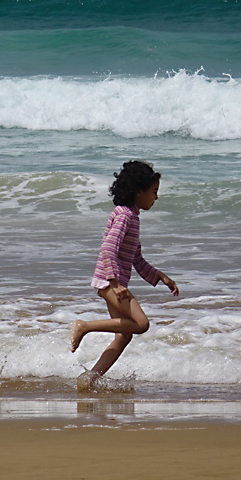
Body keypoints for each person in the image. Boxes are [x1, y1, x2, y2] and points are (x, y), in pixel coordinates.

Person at [70, 160, 178, 387]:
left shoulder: (132, 216)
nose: (156, 198)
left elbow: (136, 258)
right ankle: (84, 326)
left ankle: (91, 377)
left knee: (124, 334)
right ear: (139, 191)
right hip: (109, 281)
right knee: (141, 324)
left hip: (112, 281)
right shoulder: (124, 215)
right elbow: (108, 248)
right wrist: (114, 283)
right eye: (154, 192)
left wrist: (158, 276)